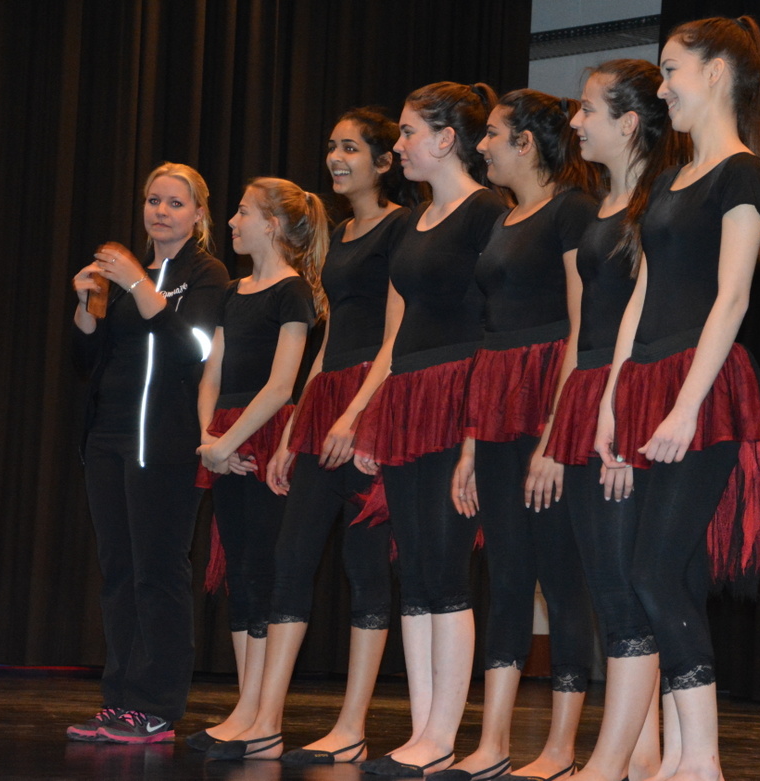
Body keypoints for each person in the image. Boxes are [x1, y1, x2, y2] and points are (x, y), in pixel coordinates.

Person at [190, 108, 418, 763]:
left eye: (351, 147)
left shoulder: (401, 226)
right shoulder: (340, 236)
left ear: (383, 162)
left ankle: (352, 726)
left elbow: (395, 334)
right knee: (291, 559)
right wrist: (296, 425)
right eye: (332, 146)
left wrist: (358, 414)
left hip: (371, 399)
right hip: (327, 401)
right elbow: (330, 339)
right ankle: (262, 717)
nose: (336, 157)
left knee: (365, 565)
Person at [593, 16, 760, 781]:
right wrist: (612, 397)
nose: (663, 85)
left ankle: (701, 759)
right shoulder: (668, 181)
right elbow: (642, 294)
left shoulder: (743, 174)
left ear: (717, 73)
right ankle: (677, 755)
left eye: (672, 69)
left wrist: (686, 406)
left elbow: (732, 297)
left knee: (656, 572)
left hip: (702, 388)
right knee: (659, 576)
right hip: (646, 381)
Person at [441, 89, 599, 781]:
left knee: (560, 577)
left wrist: (557, 436)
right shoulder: (505, 218)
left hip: (547, 404)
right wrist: (471, 445)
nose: (482, 145)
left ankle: (561, 747)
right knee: (506, 575)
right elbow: (489, 334)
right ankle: (494, 740)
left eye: (493, 134)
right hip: (497, 406)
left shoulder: (572, 210)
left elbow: (581, 328)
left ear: (527, 142)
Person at [353, 81, 507, 777]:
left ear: (447, 139)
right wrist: (372, 410)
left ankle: (443, 733)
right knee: (413, 567)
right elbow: (396, 333)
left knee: (446, 565)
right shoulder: (412, 222)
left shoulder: (487, 212)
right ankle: (422, 730)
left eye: (410, 131)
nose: (400, 144)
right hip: (409, 397)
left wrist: (475, 428)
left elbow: (497, 320)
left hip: (457, 393)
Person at [546, 59, 688, 781]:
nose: (575, 122)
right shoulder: (599, 208)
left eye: (587, 109)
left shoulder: (658, 204)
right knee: (607, 581)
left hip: (629, 396)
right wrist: (555, 431)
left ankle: (613, 759)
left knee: (624, 585)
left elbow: (659, 314)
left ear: (629, 123)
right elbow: (579, 332)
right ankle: (641, 756)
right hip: (587, 399)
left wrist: (626, 414)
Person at [68, 163, 229, 744]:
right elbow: (87, 363)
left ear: (198, 215)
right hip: (108, 439)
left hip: (162, 445)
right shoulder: (126, 274)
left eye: (175, 203)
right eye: (153, 200)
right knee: (118, 572)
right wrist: (86, 309)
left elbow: (195, 349)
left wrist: (140, 286)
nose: (160, 211)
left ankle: (156, 705)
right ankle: (120, 700)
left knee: (157, 573)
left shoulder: (205, 273)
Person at [194, 177, 325, 759]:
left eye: (243, 212)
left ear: (271, 224)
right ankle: (245, 708)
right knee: (240, 570)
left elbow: (281, 385)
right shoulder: (234, 290)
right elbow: (213, 372)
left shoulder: (292, 292)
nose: (231, 221)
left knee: (261, 567)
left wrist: (229, 442)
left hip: (263, 436)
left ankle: (259, 713)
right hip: (224, 438)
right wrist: (208, 438)